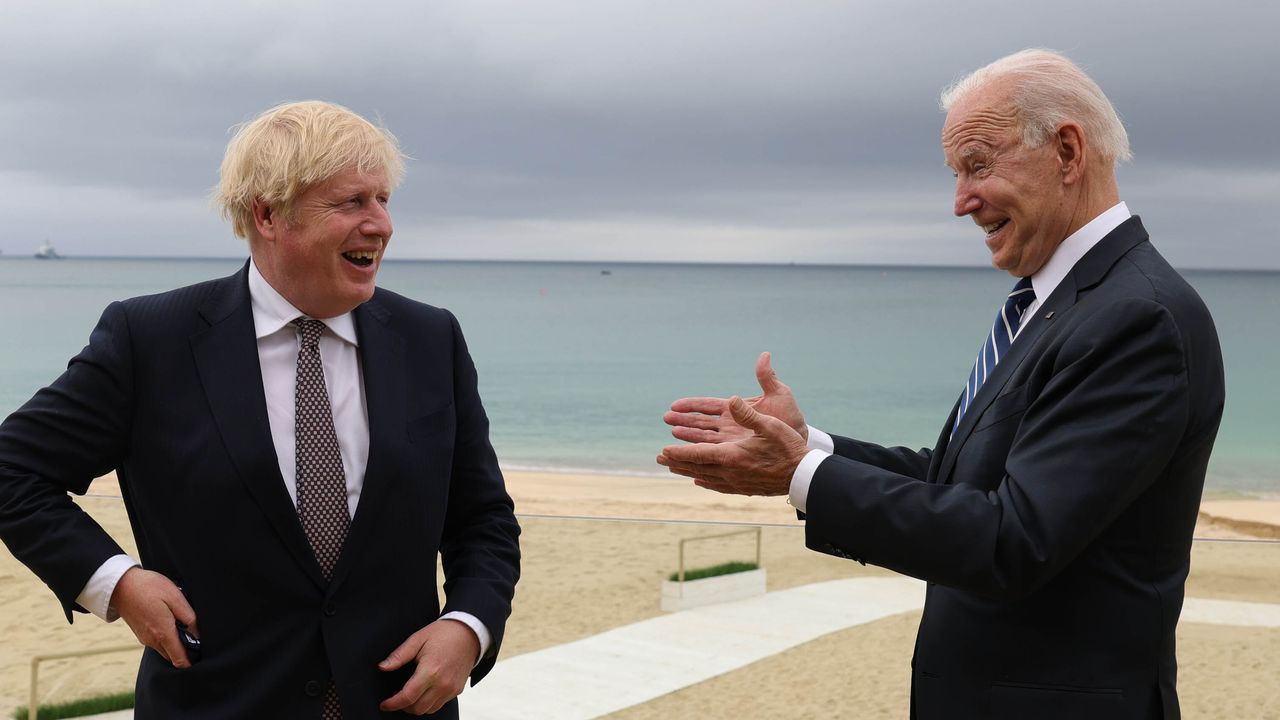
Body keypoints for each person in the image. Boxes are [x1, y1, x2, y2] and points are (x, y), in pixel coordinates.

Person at [659, 49, 1224, 719]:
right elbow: (965, 484)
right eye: (956, 173)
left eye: (979, 165)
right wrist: (806, 445)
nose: (960, 202)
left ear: (1068, 152)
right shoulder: (1057, 302)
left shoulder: (1137, 317)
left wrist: (800, 476)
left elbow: (1014, 540)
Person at [0, 101, 520, 718]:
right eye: (352, 203)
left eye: (383, 201)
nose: (380, 224)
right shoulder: (151, 340)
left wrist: (468, 625)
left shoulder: (431, 338)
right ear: (268, 214)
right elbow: (13, 471)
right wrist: (116, 582)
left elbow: (482, 517)